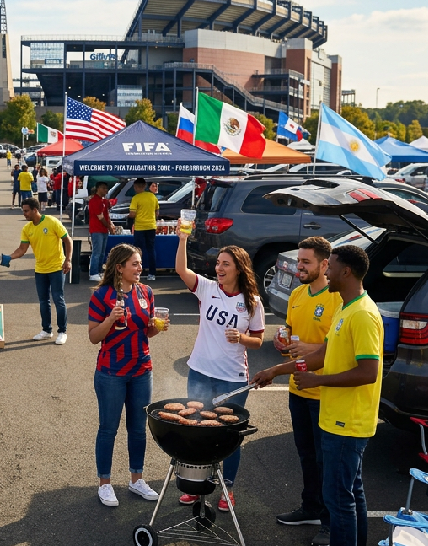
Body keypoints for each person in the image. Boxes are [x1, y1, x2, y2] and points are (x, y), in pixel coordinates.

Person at [251, 246, 382, 546]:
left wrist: (317, 380)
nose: (328, 271)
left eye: (332, 267)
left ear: (346, 271)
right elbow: (322, 354)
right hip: (336, 418)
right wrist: (276, 370)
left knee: (337, 498)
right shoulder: (346, 307)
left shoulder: (362, 314)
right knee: (350, 492)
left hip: (347, 422)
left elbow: (368, 372)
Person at [174, 228, 265, 510]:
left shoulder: (252, 303)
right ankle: (196, 486)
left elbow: (259, 341)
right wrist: (182, 239)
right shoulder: (208, 288)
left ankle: (228, 490)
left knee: (229, 436)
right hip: (200, 370)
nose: (219, 268)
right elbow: (181, 269)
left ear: (239, 268)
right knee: (198, 429)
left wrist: (242, 338)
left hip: (232, 377)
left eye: (225, 263)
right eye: (218, 263)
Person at [271, 237, 338, 546]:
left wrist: (310, 348)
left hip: (324, 393)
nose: (299, 266)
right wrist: (282, 341)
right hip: (298, 389)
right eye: (299, 261)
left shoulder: (337, 298)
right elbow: (290, 332)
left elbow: (342, 347)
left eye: (306, 262)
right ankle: (310, 507)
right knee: (306, 455)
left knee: (327, 462)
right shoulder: (297, 293)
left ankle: (329, 522)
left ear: (325, 265)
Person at [88, 243, 166, 507]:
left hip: (141, 369)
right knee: (108, 429)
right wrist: (110, 319)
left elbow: (146, 332)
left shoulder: (146, 292)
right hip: (111, 372)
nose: (140, 268)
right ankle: (105, 484)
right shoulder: (101, 295)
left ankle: (136, 479)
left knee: (138, 429)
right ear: (119, 268)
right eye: (134, 264)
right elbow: (93, 337)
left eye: (140, 263)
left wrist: (158, 327)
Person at [7, 198, 72, 344]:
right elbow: (22, 249)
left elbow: (68, 240)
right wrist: (9, 257)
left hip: (57, 268)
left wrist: (68, 260)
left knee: (58, 299)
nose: (24, 214)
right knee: (44, 301)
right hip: (40, 269)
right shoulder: (27, 229)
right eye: (23, 211)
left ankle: (62, 332)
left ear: (35, 210)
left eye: (26, 211)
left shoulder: (51, 221)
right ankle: (46, 331)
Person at [127, 178, 159, 281]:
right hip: (151, 226)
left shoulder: (136, 198)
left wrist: (128, 216)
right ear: (145, 186)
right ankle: (152, 273)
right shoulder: (153, 197)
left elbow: (133, 214)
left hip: (140, 227)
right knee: (151, 249)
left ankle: (137, 272)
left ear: (135, 187)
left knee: (137, 251)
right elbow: (157, 212)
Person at [88, 182, 116, 282]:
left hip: (103, 230)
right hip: (96, 229)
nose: (106, 191)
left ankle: (99, 271)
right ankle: (93, 273)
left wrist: (110, 225)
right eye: (103, 188)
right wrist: (109, 227)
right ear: (98, 188)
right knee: (97, 252)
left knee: (102, 253)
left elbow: (107, 215)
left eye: (106, 189)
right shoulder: (94, 201)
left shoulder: (104, 201)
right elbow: (100, 217)